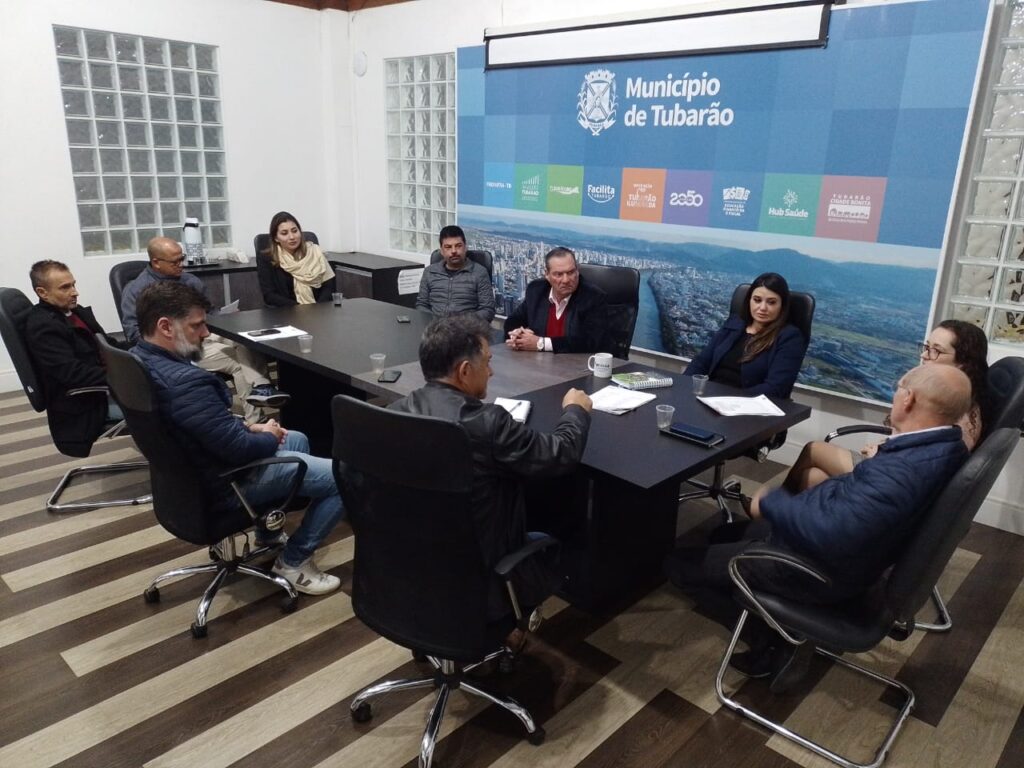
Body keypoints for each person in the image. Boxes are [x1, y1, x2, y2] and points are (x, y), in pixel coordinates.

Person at [664, 363, 972, 690]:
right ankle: (770, 617)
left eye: (898, 390)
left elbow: (830, 533)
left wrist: (771, 502)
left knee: (677, 564)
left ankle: (774, 639)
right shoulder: (944, 446)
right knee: (720, 533)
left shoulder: (900, 472)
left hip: (813, 570)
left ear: (908, 399)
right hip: (844, 551)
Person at [131, 281, 344, 595]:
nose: (205, 333)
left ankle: (268, 534)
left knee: (296, 438)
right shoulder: (186, 383)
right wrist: (267, 435)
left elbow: (199, 424)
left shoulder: (138, 358)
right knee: (342, 476)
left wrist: (248, 426)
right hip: (222, 485)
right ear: (165, 327)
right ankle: (294, 562)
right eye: (196, 325)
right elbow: (240, 451)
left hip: (186, 479)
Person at [377, 314, 592, 620]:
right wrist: (575, 411)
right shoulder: (488, 423)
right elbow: (561, 453)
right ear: (464, 371)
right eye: (488, 363)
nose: (490, 372)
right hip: (483, 567)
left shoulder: (396, 411)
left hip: (416, 557)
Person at [754, 319, 989, 512]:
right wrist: (886, 444)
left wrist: (881, 453)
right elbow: (916, 442)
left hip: (891, 477)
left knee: (814, 450)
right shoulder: (951, 396)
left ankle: (767, 512)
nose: (926, 355)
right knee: (812, 477)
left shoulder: (958, 416)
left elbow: (927, 466)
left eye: (936, 351)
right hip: (891, 464)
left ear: (963, 362)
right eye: (926, 347)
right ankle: (785, 524)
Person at [121, 236, 288, 421]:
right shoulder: (137, 290)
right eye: (175, 262)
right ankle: (257, 415)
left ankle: (261, 390)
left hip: (205, 334)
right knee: (241, 365)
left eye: (182, 258)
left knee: (244, 337)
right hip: (177, 348)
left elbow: (210, 312)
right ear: (156, 262)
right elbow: (133, 332)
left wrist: (226, 316)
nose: (181, 265)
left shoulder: (190, 281)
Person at [23, 260, 125, 456]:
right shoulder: (44, 327)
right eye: (65, 287)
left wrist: (141, 352)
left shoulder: (73, 312)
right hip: (89, 404)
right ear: (43, 293)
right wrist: (128, 375)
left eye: (73, 284)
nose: (75, 292)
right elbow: (75, 375)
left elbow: (106, 343)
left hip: (107, 385)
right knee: (165, 400)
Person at [684, 272, 806, 399]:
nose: (762, 307)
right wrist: (683, 385)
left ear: (782, 306)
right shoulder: (734, 323)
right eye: (757, 300)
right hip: (710, 397)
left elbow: (776, 387)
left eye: (771, 302)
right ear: (749, 300)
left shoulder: (789, 337)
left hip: (749, 404)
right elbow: (701, 362)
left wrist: (732, 400)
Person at [504, 247, 609, 353]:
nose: (566, 280)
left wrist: (541, 343)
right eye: (559, 274)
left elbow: (591, 341)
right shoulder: (536, 290)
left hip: (574, 362)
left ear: (577, 271)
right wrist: (517, 334)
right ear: (547, 275)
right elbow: (512, 321)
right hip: (536, 360)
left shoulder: (593, 297)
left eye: (571, 272)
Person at [415, 225, 496, 322]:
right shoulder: (430, 272)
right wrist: (436, 324)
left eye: (458, 246)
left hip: (467, 328)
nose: (453, 251)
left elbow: (487, 310)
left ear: (465, 247)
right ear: (441, 251)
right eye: (448, 247)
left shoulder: (479, 272)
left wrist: (461, 323)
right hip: (435, 327)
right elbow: (421, 305)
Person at [257, 211, 336, 307]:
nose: (292, 237)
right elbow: (269, 295)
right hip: (286, 311)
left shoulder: (314, 252)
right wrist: (300, 309)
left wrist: (318, 308)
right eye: (284, 233)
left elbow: (329, 285)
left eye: (295, 231)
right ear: (276, 238)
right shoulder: (267, 259)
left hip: (319, 309)